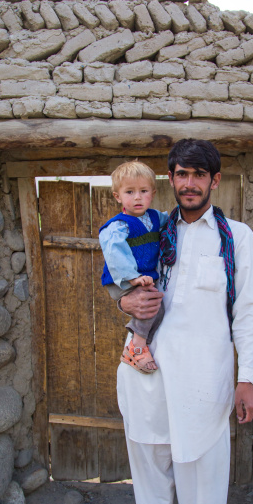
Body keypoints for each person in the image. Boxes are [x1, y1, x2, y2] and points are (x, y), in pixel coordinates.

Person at [114, 139, 253, 504]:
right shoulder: (150, 230)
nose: (189, 183)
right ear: (171, 179)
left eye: (199, 175)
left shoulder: (235, 236)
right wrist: (122, 302)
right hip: (146, 369)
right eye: (181, 174)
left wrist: (247, 377)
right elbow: (120, 281)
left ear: (214, 181)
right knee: (149, 460)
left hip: (205, 373)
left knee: (203, 467)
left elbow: (248, 309)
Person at [99, 160, 168, 374]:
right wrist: (132, 277)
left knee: (159, 308)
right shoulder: (118, 226)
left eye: (143, 191)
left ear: (153, 193)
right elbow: (115, 253)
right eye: (130, 192)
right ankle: (136, 348)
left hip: (143, 277)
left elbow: (173, 220)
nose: (137, 197)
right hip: (122, 278)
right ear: (117, 196)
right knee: (148, 303)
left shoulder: (155, 218)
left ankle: (142, 342)